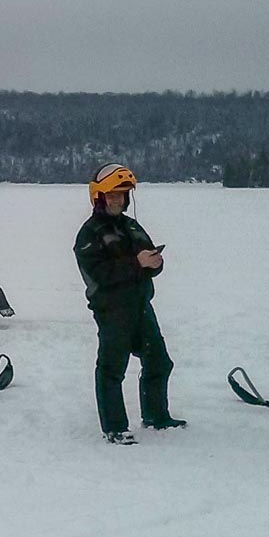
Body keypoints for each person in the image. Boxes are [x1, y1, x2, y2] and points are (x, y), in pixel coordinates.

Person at [73, 162, 183, 445]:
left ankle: (156, 416)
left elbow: (146, 261)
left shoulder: (131, 225)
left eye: (121, 196)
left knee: (159, 362)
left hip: (141, 306)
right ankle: (115, 427)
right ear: (99, 197)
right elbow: (100, 274)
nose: (117, 201)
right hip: (112, 311)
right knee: (112, 369)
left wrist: (155, 263)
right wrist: (137, 263)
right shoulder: (89, 234)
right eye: (112, 196)